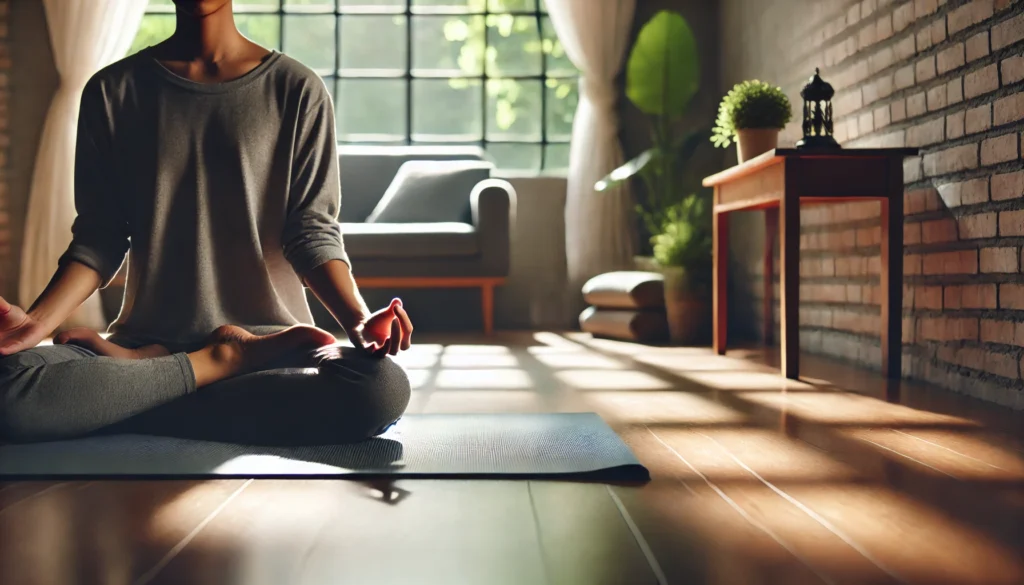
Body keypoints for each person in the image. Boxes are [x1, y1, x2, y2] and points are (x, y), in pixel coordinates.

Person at [0, 0, 413, 444]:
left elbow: (311, 231)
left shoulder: (296, 89)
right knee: (8, 388)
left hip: (269, 352)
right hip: (146, 345)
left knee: (381, 389)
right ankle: (215, 363)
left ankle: (138, 397)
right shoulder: (113, 89)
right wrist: (37, 324)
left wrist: (357, 321)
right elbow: (100, 236)